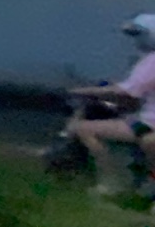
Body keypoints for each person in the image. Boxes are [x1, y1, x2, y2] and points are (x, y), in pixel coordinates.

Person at [65, 13, 155, 197]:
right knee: (126, 119)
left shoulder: (151, 61)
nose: (136, 41)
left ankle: (110, 182)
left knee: (83, 128)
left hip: (149, 124)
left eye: (138, 35)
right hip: (145, 118)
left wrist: (83, 91)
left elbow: (125, 91)